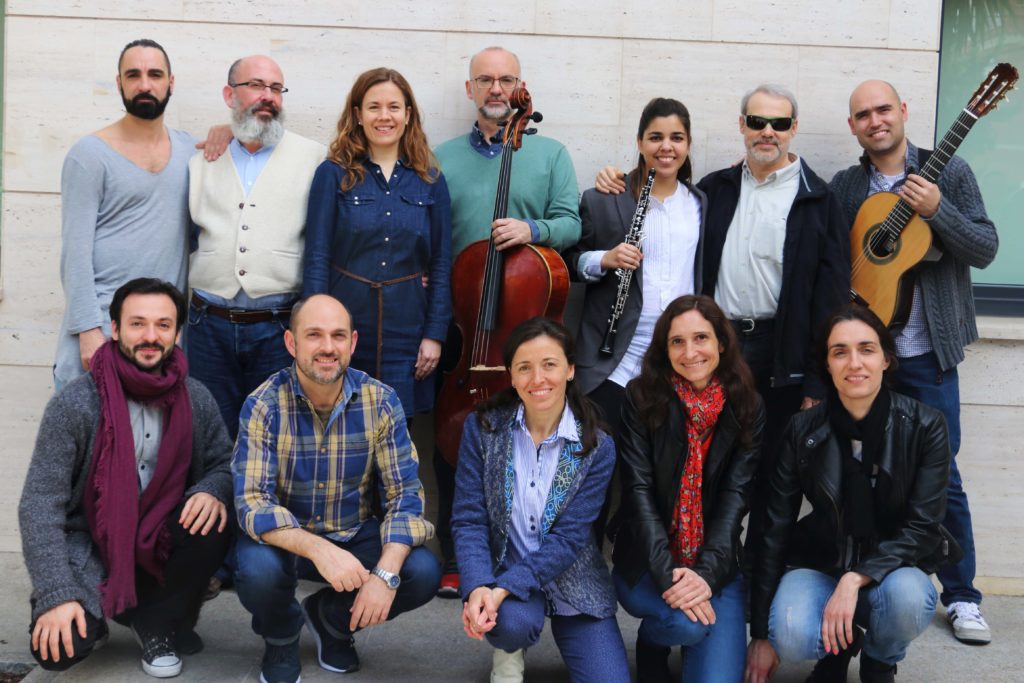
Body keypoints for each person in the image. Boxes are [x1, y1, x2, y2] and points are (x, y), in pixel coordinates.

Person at [596, 83, 849, 582]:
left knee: (770, 478)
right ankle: (698, 570)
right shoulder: (715, 189)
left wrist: (818, 381)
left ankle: (754, 588)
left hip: (781, 353)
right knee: (704, 467)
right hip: (713, 348)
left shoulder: (819, 199)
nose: (767, 132)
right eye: (757, 121)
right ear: (742, 126)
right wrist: (618, 177)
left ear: (794, 129)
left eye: (779, 123)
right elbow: (660, 194)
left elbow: (832, 300)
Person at [830, 79, 998, 646]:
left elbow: (985, 248)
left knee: (942, 475)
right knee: (855, 470)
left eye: (884, 109)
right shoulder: (847, 186)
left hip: (927, 356)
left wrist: (938, 210)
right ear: (853, 126)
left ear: (902, 111)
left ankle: (962, 596)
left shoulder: (949, 172)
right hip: (864, 361)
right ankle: (862, 579)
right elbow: (835, 260)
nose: (875, 121)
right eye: (863, 114)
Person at [20, 278, 232, 678]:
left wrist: (211, 489)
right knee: (59, 652)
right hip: (93, 545)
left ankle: (158, 623)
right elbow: (39, 504)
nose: (150, 336)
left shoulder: (196, 397)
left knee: (214, 515)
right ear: (115, 329)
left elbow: (224, 463)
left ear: (177, 333)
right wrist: (56, 593)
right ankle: (101, 610)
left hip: (160, 541)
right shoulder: (75, 404)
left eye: (163, 325)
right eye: (137, 324)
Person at [433, 45, 583, 598]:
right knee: (452, 439)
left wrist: (532, 230)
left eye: (505, 80)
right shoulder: (441, 157)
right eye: (485, 80)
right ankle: (457, 556)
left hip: (524, 325)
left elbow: (571, 223)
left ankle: (528, 555)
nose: (496, 89)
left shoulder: (550, 154)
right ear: (469, 89)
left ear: (519, 87)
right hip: (465, 323)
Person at [745, 304, 961, 683]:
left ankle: (879, 660)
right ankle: (837, 650)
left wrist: (856, 578)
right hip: (821, 562)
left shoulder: (925, 426)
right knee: (790, 633)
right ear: (827, 365)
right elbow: (774, 527)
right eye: (839, 352)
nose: (854, 363)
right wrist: (761, 634)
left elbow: (923, 526)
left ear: (886, 360)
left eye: (866, 349)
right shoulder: (802, 429)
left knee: (910, 603)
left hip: (893, 567)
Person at [232, 294, 440, 683]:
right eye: (314, 335)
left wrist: (385, 575)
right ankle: (281, 637)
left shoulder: (380, 401)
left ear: (352, 342)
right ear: (291, 343)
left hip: (353, 533)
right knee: (256, 570)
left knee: (421, 571)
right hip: (286, 542)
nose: (328, 347)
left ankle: (332, 620)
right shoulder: (263, 404)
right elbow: (252, 502)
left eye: (338, 335)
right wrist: (319, 549)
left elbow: (405, 496)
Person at [451, 317, 629, 683]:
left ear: (570, 369)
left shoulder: (596, 445)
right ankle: (509, 651)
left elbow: (569, 539)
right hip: (505, 570)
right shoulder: (484, 428)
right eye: (524, 368)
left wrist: (506, 587)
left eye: (549, 364)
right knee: (510, 626)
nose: (537, 379)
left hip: (573, 576)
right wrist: (480, 586)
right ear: (511, 376)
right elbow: (469, 519)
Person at [55, 39, 222, 390]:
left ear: (170, 83)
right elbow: (74, 254)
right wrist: (87, 330)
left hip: (160, 337)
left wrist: (229, 130)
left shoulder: (190, 153)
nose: (144, 84)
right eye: (133, 75)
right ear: (119, 83)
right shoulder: (89, 155)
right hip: (104, 329)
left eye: (154, 75)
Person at [613, 295, 763, 682]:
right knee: (686, 624)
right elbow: (639, 493)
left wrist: (705, 578)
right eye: (677, 342)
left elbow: (734, 501)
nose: (690, 352)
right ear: (664, 350)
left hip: (716, 563)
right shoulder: (641, 398)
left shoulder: (747, 405)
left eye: (701, 338)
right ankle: (653, 642)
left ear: (721, 343)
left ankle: (682, 620)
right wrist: (671, 580)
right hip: (647, 561)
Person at [188, 54, 325, 441]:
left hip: (277, 328)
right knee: (209, 439)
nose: (268, 96)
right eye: (256, 86)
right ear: (229, 94)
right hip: (207, 326)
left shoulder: (315, 158)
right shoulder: (200, 159)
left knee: (276, 440)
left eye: (276, 88)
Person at [303, 67, 452, 418]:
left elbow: (442, 263)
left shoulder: (430, 180)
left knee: (396, 430)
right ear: (358, 114)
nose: (384, 116)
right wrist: (314, 330)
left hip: (408, 331)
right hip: (343, 329)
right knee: (339, 425)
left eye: (394, 107)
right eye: (374, 107)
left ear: (408, 114)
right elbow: (317, 256)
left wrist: (434, 335)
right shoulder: (333, 174)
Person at [564, 97, 707, 440]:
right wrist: (604, 259)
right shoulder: (603, 197)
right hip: (612, 360)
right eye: (656, 137)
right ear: (640, 142)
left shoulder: (700, 202)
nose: (666, 147)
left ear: (688, 144)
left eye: (676, 137)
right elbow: (569, 261)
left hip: (677, 359)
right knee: (601, 460)